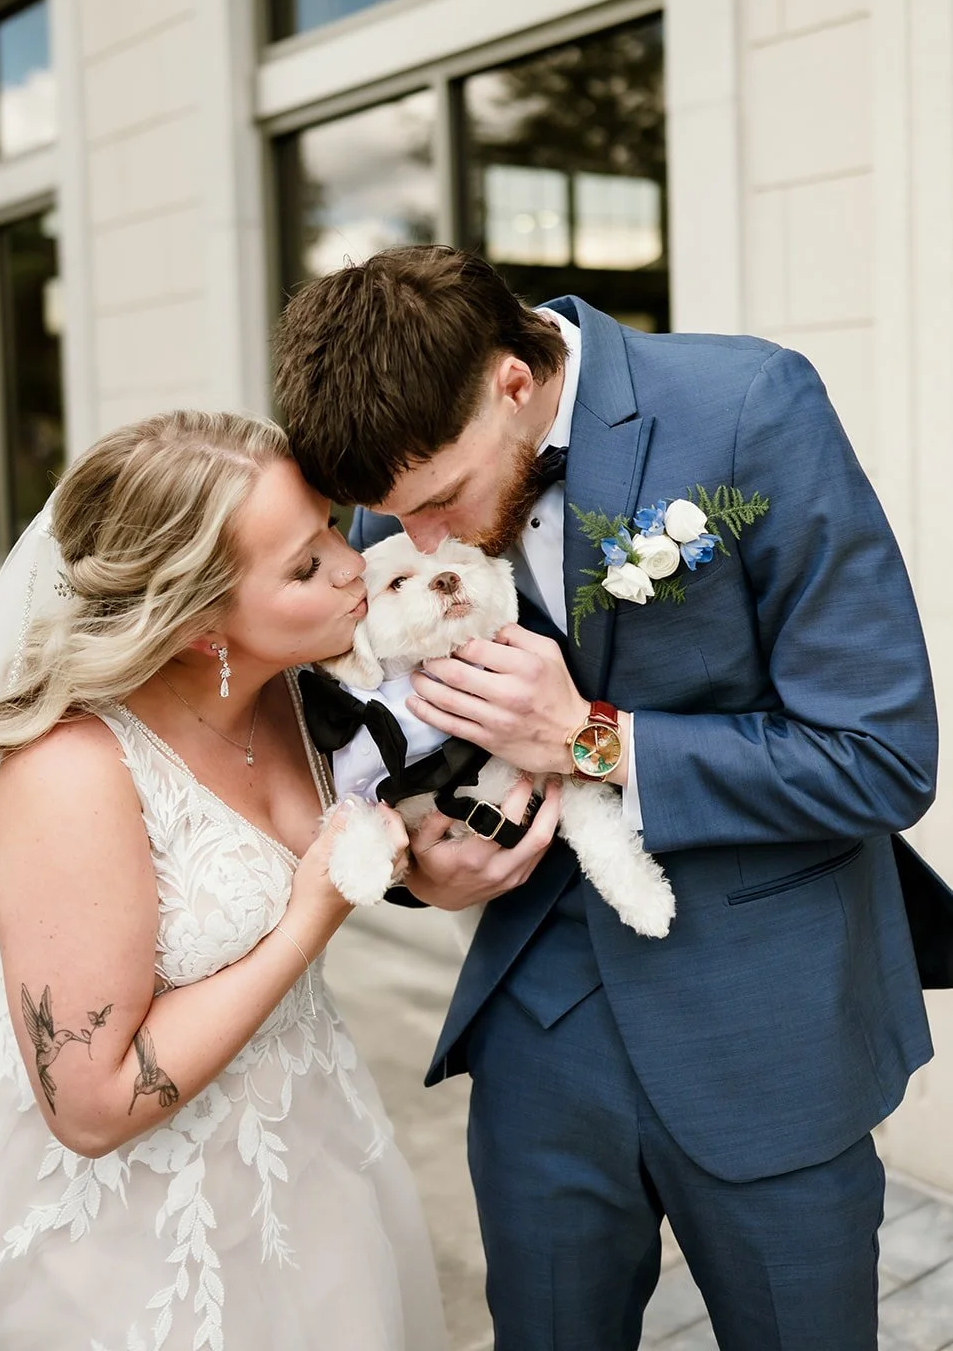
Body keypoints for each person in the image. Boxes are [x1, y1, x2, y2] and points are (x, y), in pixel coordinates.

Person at [275, 245, 942, 1351]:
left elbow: (878, 753)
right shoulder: (396, 494)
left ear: (510, 378)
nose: (419, 541)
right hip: (540, 1024)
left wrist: (590, 738)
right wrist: (424, 867)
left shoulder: (746, 408)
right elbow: (374, 745)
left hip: (766, 1016)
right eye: (395, 519)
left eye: (439, 500)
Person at [0, 409, 452, 1350]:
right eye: (305, 566)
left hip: (304, 1160)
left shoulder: (294, 689)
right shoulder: (70, 770)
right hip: (114, 1236)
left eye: (328, 526)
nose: (354, 564)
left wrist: (436, 862)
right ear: (195, 625)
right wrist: (310, 918)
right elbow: (94, 1108)